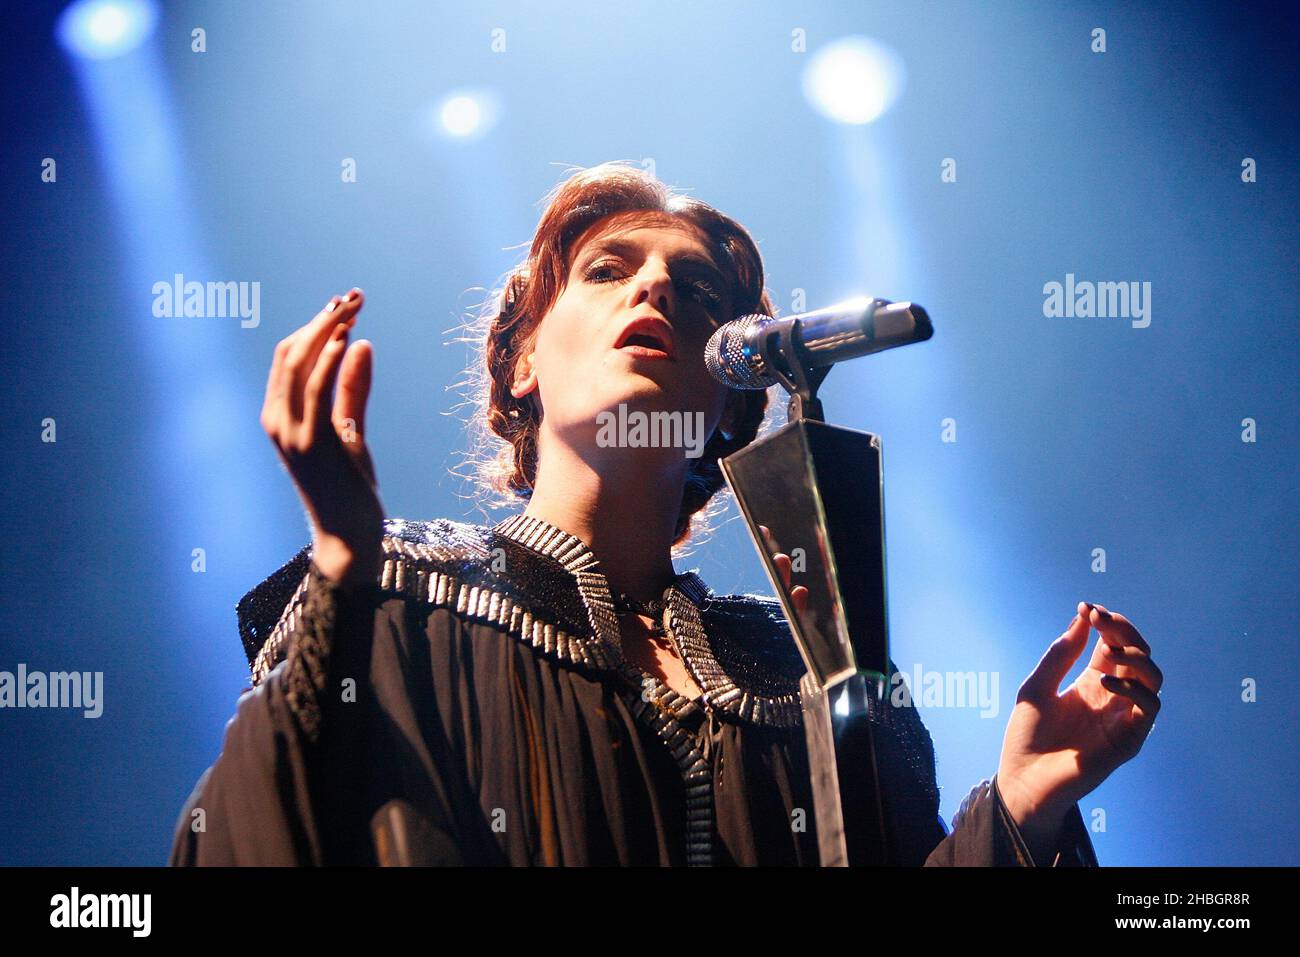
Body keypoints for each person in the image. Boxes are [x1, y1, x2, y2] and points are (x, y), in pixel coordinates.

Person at [169, 162, 1160, 866]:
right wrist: (346, 556)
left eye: (696, 295)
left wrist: (1024, 810)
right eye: (607, 270)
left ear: (732, 398)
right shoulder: (401, 598)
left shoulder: (808, 667)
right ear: (521, 359)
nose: (654, 287)